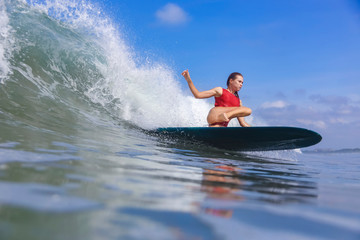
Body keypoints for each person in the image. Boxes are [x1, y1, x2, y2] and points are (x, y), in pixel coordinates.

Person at [182, 69, 252, 127]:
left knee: (248, 111)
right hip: (215, 115)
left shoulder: (239, 102)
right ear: (231, 81)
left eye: (242, 83)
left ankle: (225, 116)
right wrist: (189, 80)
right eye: (239, 81)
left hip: (219, 127)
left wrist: (258, 132)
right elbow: (198, 95)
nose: (241, 84)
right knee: (246, 109)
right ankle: (225, 116)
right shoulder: (220, 90)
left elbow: (242, 123)